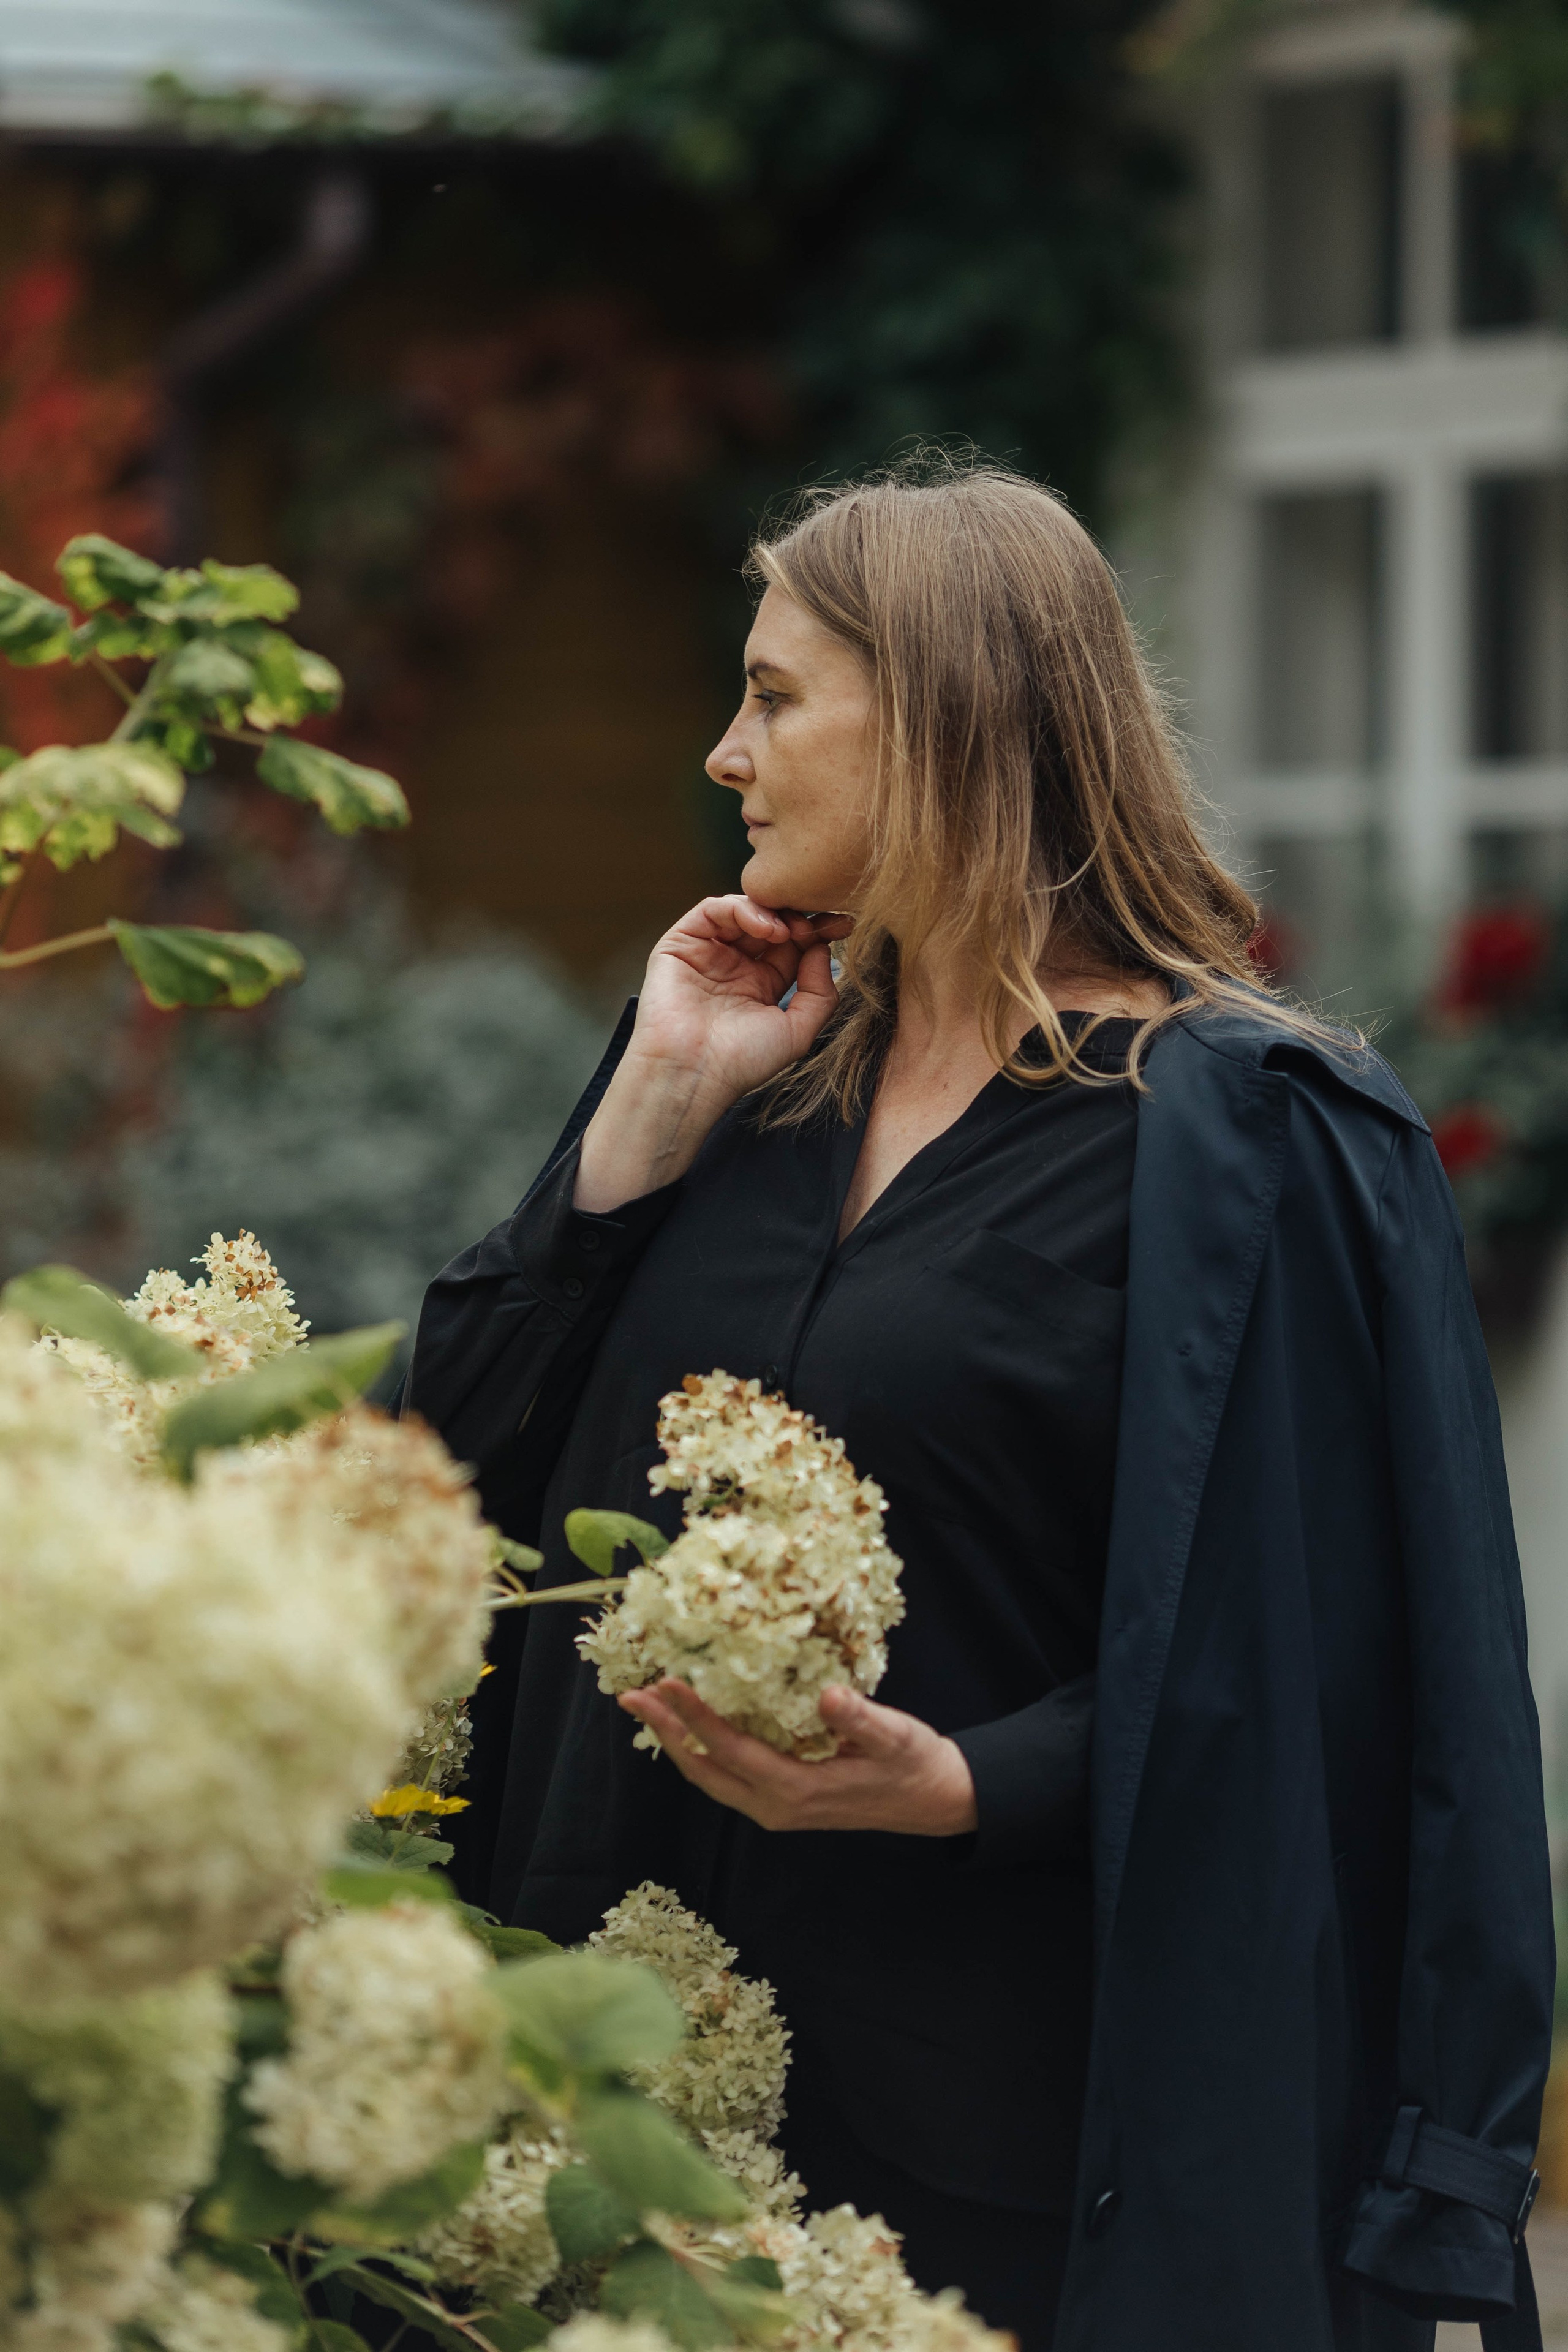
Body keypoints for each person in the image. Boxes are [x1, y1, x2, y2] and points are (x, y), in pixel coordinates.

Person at [405, 463, 1554, 2352]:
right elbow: (452, 1462)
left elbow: (1334, 1681)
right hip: (636, 2116)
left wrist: (965, 1782)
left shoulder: (1259, 1144)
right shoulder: (747, 1075)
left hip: (1027, 2157)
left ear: (942, 713)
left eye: (776, 697)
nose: (722, 751)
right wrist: (637, 1125)